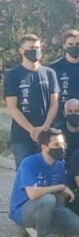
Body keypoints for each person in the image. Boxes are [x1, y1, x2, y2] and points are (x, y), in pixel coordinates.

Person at [9, 128, 79, 237]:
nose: (61, 148)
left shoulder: (59, 165)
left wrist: (63, 198)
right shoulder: (29, 162)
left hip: (49, 207)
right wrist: (60, 187)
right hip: (23, 209)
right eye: (56, 144)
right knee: (48, 198)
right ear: (44, 147)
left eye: (62, 144)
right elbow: (32, 194)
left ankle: (37, 228)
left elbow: (60, 196)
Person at [4, 34, 59, 167]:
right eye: (31, 48)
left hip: (47, 135)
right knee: (25, 172)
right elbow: (12, 107)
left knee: (48, 170)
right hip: (22, 136)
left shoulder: (49, 73)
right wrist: (32, 130)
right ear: (21, 50)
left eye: (37, 48)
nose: (35, 51)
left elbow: (54, 103)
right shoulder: (12, 75)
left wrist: (45, 127)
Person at [62, 98, 79, 164]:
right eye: (70, 111)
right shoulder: (58, 132)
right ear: (64, 113)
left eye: (77, 111)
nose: (73, 113)